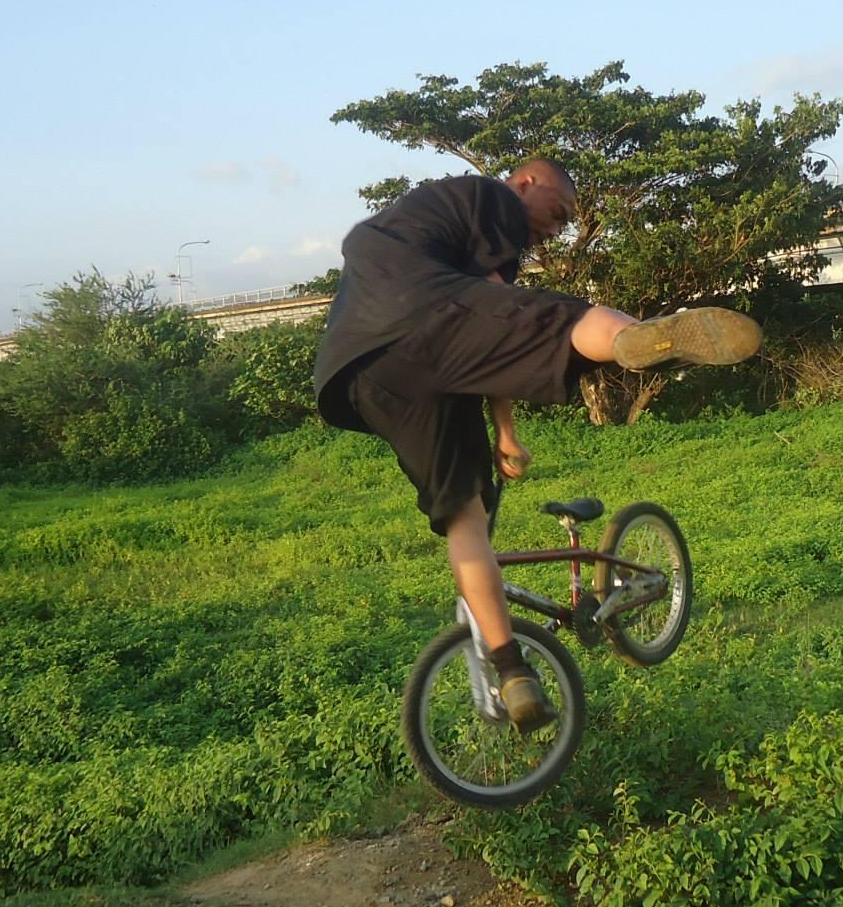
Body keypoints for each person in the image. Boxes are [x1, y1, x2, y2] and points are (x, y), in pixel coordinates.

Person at [313, 158, 759, 730]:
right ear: (526, 183)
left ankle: (511, 671)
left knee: (464, 520)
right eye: (559, 211)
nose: (558, 228)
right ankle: (636, 333)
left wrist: (504, 433)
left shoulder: (406, 229)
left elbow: (489, 343)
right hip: (426, 317)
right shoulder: (486, 197)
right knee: (560, 318)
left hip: (363, 375)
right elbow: (500, 306)